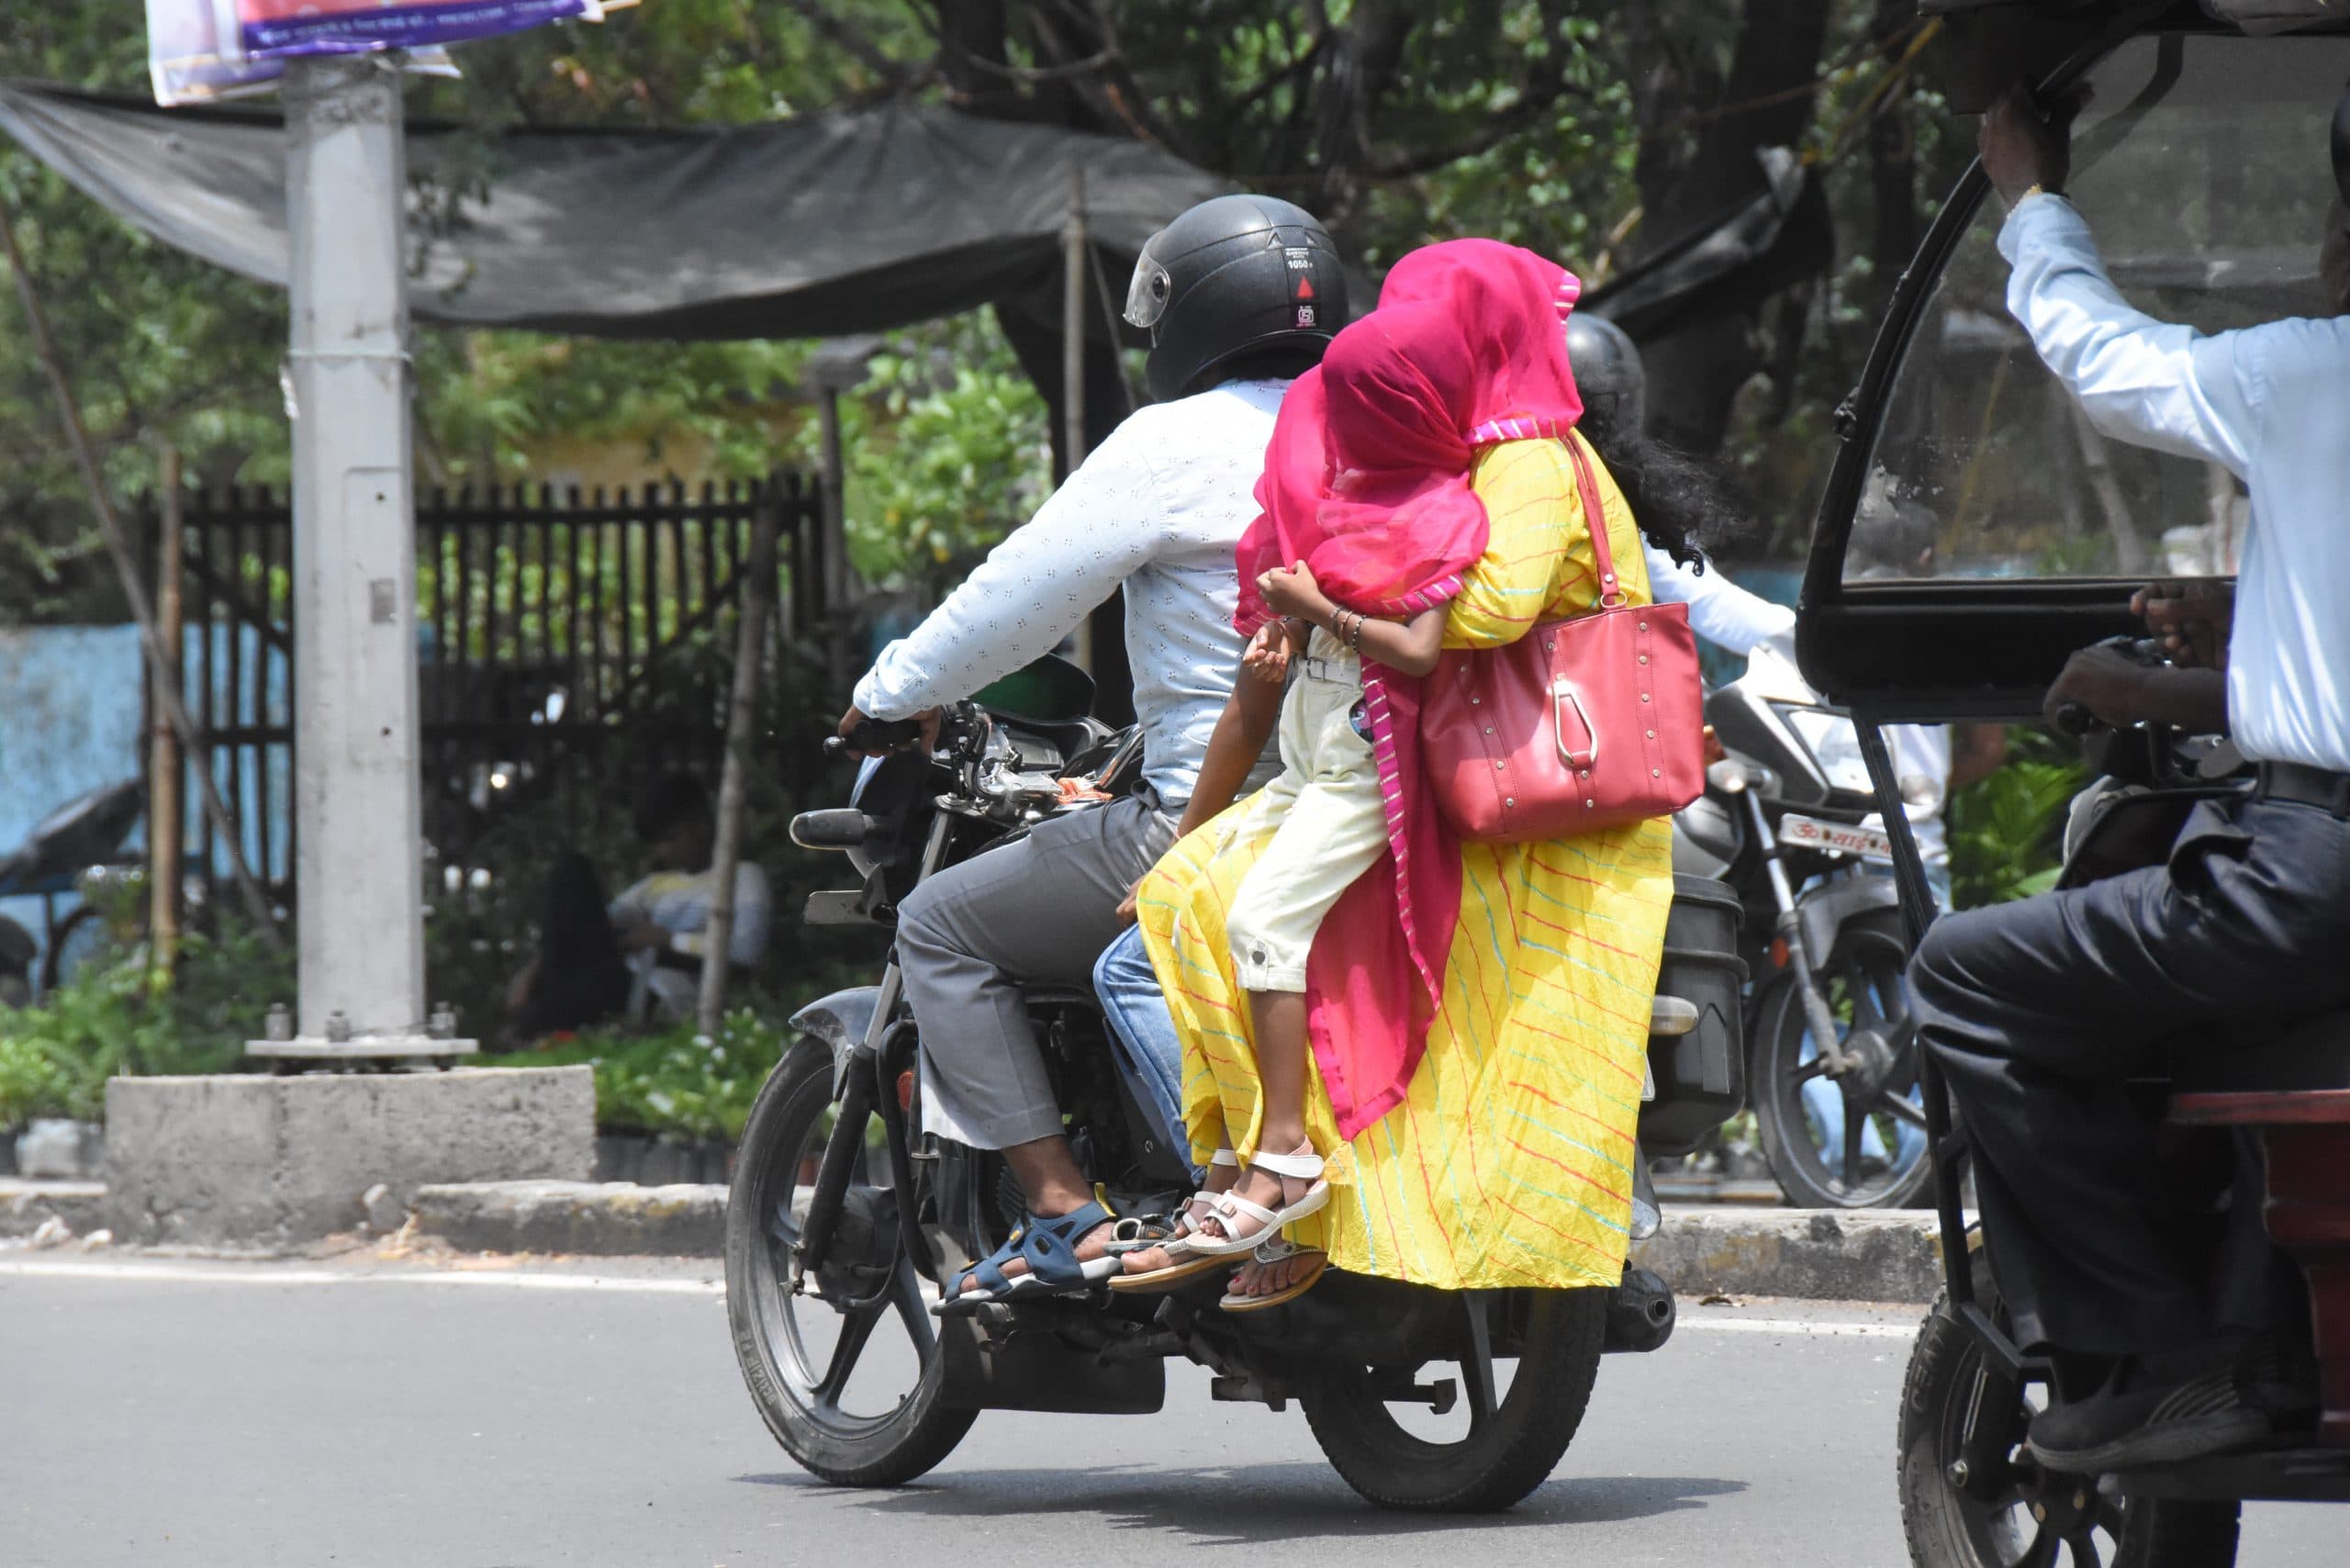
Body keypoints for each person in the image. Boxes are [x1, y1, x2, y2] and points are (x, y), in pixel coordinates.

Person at [1120, 239, 1739, 1309]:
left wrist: (1328, 590)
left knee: (1446, 1036)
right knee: (1190, 897)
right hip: (1461, 777)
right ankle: (1257, 1174)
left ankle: (1297, 1183)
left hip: (1549, 806)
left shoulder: (1531, 462)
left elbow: (1486, 613)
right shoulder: (1463, 455)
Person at [1906, 84, 2350, 1471]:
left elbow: (2103, 359)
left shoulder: (2309, 373)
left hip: (2306, 879)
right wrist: (2243, 629)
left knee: (1964, 970)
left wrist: (2030, 195)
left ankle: (2168, 1359)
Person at [835, 195, 1351, 1309]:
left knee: (943, 923)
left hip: (1221, 811)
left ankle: (1066, 1213)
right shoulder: (1390, 421)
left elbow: (1015, 602)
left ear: (1187, 317)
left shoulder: (1175, 442)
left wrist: (887, 694)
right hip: (1384, 800)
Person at [505, 772, 771, 1038]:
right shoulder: (655, 885)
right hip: (618, 972)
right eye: (658, 843)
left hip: (666, 984)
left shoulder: (743, 877)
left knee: (576, 996)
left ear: (700, 826)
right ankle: (537, 1015)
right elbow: (582, 930)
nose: (663, 852)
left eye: (671, 838)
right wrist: (533, 970)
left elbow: (746, 952)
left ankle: (532, 1024)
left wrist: (668, 940)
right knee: (572, 870)